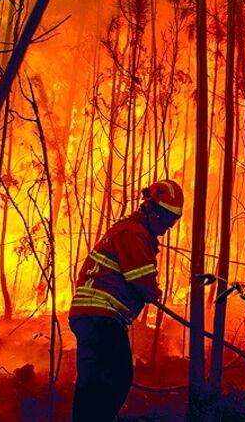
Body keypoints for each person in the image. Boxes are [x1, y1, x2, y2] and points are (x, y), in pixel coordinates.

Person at [69, 179, 183, 422]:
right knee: (119, 376)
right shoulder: (132, 233)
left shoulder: (134, 232)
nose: (169, 226)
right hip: (100, 315)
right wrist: (154, 292)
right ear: (152, 211)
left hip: (90, 315)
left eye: (174, 220)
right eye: (167, 218)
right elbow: (140, 278)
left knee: (92, 379)